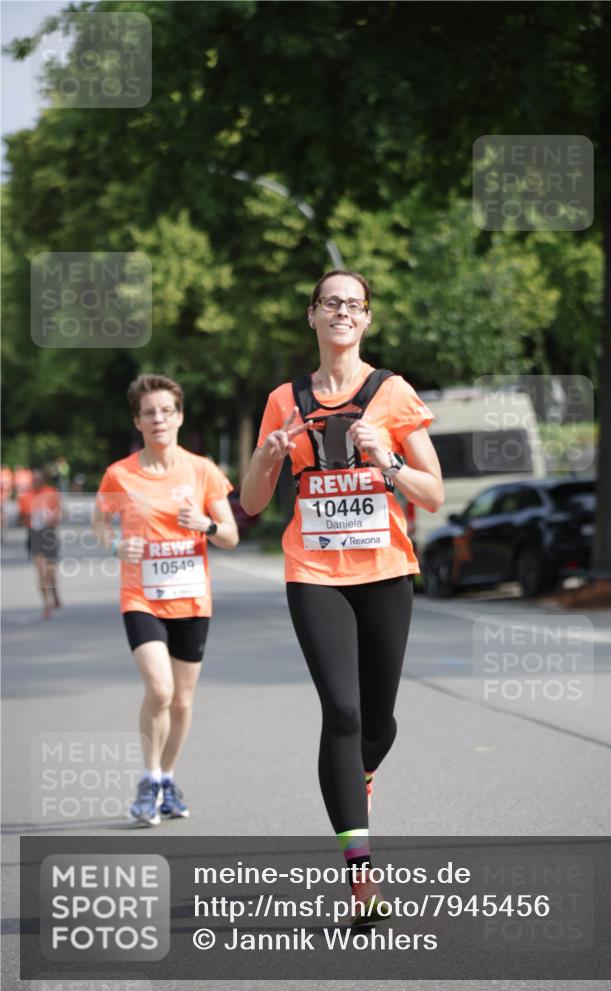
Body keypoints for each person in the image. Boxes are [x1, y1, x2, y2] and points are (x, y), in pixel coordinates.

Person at [241, 270, 444, 924]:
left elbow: (431, 492)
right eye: (331, 303)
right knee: (344, 713)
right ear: (312, 316)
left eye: (353, 305)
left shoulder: (392, 392)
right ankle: (360, 879)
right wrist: (269, 457)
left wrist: (385, 460)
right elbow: (249, 502)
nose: (341, 313)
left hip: (384, 571)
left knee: (378, 724)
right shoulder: (284, 400)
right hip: (314, 573)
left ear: (366, 319)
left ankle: (357, 780)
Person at [93, 374, 239, 827]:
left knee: (181, 702)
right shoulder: (120, 474)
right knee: (160, 689)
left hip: (192, 600)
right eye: (149, 412)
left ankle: (169, 777)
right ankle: (149, 778)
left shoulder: (202, 470)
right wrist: (116, 546)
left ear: (179, 417)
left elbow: (231, 535)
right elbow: (101, 522)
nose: (158, 418)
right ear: (137, 421)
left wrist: (205, 525)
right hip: (142, 597)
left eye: (166, 411)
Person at [28, 467, 62, 619]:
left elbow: (61, 512)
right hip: (34, 535)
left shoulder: (51, 492)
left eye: (38, 479)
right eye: (33, 479)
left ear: (43, 479)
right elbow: (21, 517)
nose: (36, 482)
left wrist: (53, 518)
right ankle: (46, 605)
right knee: (40, 572)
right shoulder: (26, 496)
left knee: (50, 573)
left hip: (49, 534)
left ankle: (54, 593)